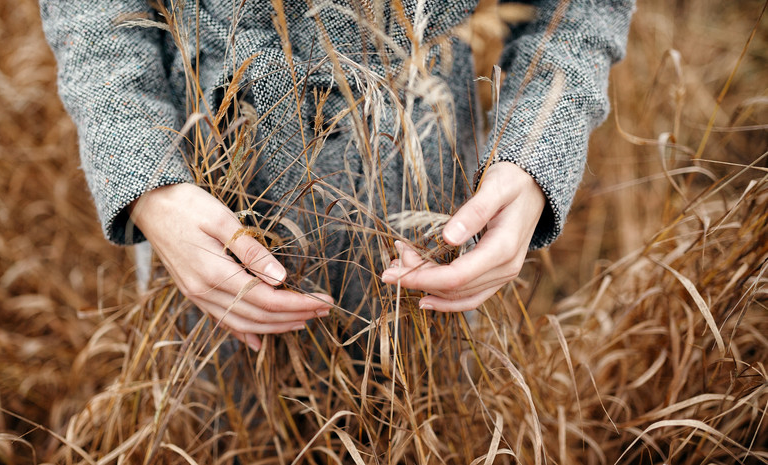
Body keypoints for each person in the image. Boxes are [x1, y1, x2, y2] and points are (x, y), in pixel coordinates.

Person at [40, 0, 634, 351]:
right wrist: (147, 179)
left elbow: (578, 11)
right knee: (216, 424)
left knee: (427, 407)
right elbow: (91, 15)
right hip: (205, 176)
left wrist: (535, 152)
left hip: (430, 171)